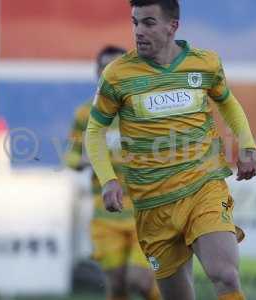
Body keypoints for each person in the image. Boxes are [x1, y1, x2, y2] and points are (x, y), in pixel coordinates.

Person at [85, 1, 256, 299]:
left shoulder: (205, 64)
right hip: (153, 205)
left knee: (226, 275)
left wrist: (247, 145)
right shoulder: (118, 75)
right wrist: (109, 179)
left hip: (203, 189)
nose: (139, 31)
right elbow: (94, 131)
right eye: (135, 22)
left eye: (149, 23)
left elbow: (227, 102)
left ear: (172, 26)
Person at [66, 45, 160, 300]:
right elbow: (70, 156)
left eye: (116, 66)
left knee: (138, 280)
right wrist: (84, 159)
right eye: (104, 67)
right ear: (96, 72)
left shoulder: (146, 110)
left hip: (146, 211)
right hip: (106, 214)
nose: (110, 72)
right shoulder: (86, 114)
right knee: (117, 286)